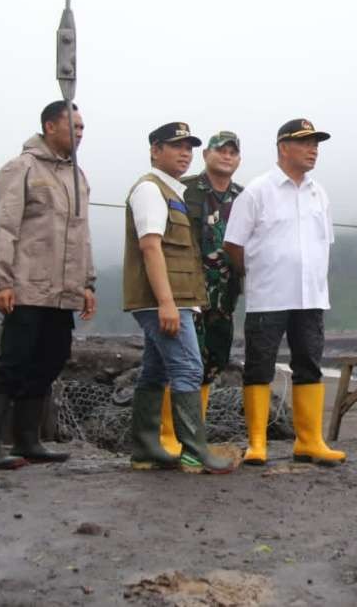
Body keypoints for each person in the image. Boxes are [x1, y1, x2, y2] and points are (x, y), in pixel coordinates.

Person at [0, 100, 96, 470]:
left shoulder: (77, 176)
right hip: (27, 286)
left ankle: (28, 441)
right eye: (73, 125)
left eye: (82, 127)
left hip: (63, 293)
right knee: (13, 363)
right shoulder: (21, 168)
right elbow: (4, 227)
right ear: (49, 126)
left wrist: (87, 284)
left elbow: (83, 235)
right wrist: (1, 282)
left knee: (50, 361)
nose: (80, 132)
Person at [224, 118, 346, 467]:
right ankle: (258, 443)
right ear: (283, 147)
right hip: (269, 295)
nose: (314, 149)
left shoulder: (318, 192)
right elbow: (233, 244)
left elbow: (325, 242)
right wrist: (254, 272)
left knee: (309, 364)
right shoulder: (258, 191)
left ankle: (309, 441)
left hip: (310, 296)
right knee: (259, 365)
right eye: (306, 142)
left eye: (317, 143)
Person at [122, 122, 232, 474]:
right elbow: (150, 247)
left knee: (155, 370)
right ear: (155, 150)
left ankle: (145, 449)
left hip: (176, 298)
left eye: (188, 147)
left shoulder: (173, 192)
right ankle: (195, 450)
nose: (184, 153)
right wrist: (167, 303)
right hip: (163, 300)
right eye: (175, 146)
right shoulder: (151, 190)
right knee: (188, 367)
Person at [159, 131, 244, 457]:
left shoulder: (244, 196)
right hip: (188, 292)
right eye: (221, 150)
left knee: (212, 364)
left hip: (224, 297)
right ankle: (169, 437)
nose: (227, 156)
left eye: (233, 152)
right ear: (206, 154)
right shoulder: (185, 190)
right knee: (182, 364)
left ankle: (194, 438)